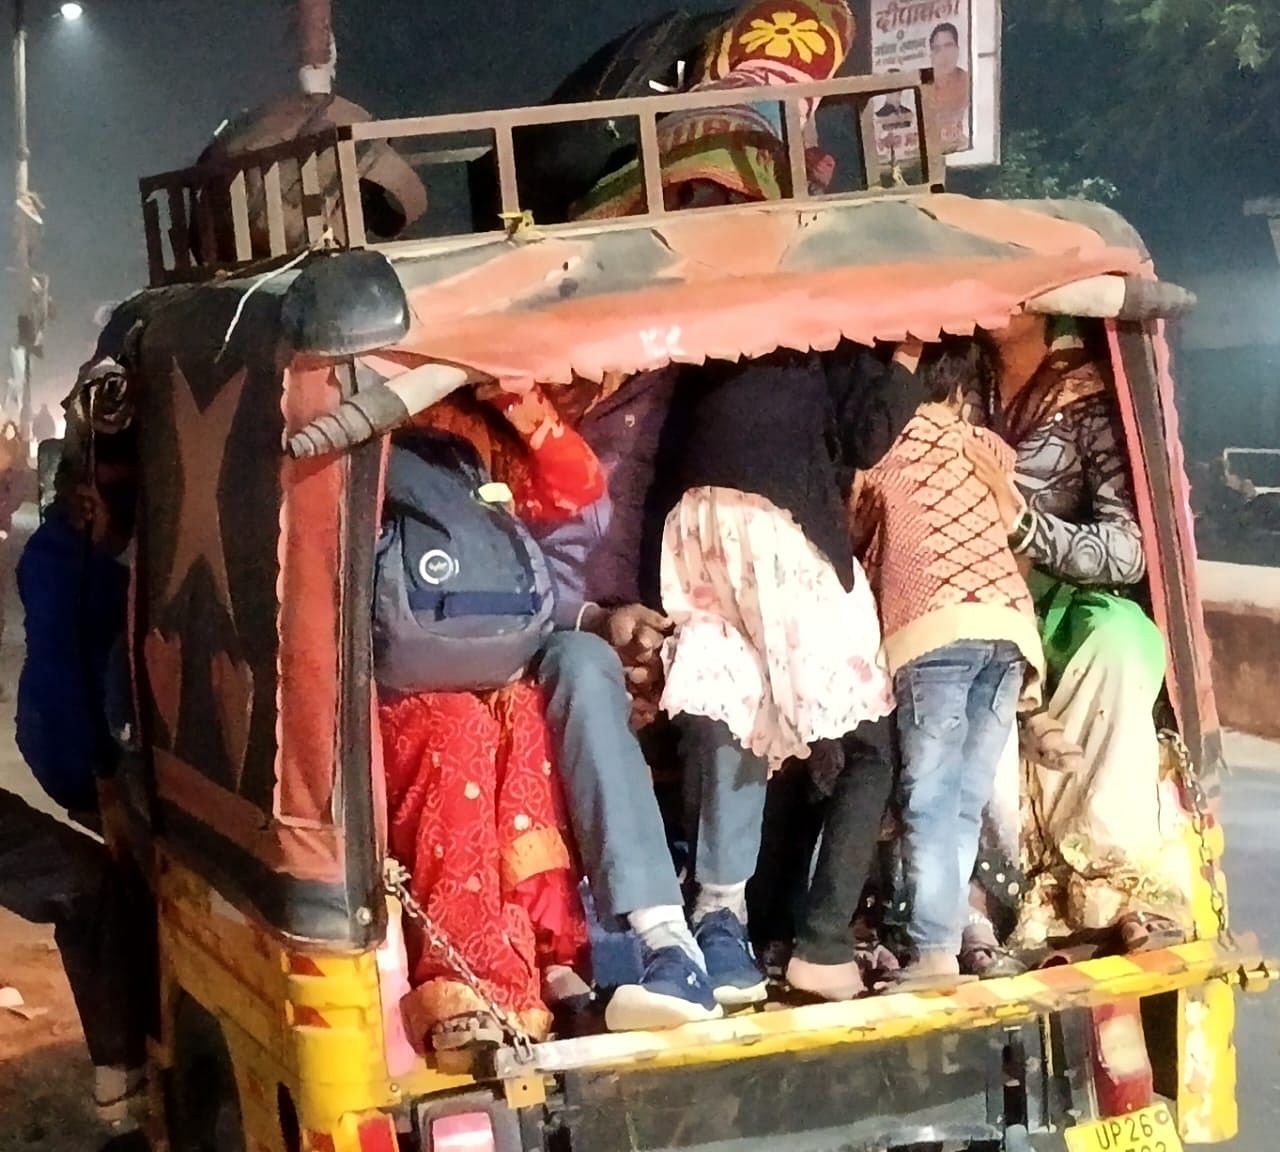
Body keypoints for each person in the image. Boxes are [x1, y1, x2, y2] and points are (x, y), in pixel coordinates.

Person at [649, 340, 930, 1004]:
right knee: (868, 745)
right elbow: (865, 437)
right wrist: (911, 353)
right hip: (776, 521)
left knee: (737, 705)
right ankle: (825, 946)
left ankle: (724, 919)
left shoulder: (728, 322)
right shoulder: (836, 325)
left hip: (693, 523)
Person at [380, 390, 603, 1052]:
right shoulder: (341, 422)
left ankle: (545, 947)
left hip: (480, 657)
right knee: (458, 729)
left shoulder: (477, 435)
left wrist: (512, 395)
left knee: (526, 718)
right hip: (377, 679)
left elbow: (576, 485)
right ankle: (463, 972)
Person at [964, 318, 1189, 956]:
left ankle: (1119, 889)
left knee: (1116, 642)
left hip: (1060, 599)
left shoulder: (1086, 395)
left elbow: (1129, 550)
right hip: (961, 592)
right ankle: (984, 899)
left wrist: (1026, 526)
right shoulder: (952, 375)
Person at [854, 341, 1044, 989]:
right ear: (962, 392)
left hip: (934, 627)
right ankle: (949, 934)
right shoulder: (985, 447)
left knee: (928, 796)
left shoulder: (880, 449)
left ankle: (934, 951)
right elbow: (1013, 520)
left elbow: (854, 532)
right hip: (1010, 629)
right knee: (963, 798)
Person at [3, 439, 151, 1133]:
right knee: (102, 884)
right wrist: (100, 778)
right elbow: (61, 693)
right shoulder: (64, 565)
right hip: (83, 752)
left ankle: (124, 1084)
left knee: (99, 886)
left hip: (100, 749)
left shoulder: (95, 557)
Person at [929, 23, 971, 152]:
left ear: (958, 50)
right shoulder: (923, 88)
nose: (943, 55)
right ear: (932, 55)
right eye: (937, 49)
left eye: (948, 46)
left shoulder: (969, 82)